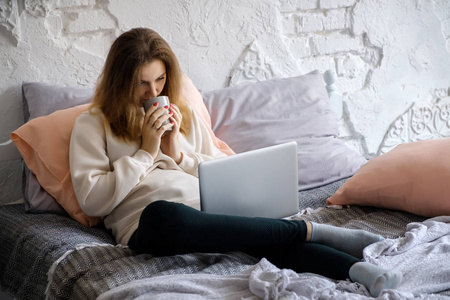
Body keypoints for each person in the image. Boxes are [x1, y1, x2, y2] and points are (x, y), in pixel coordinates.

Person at [69, 27, 402, 297]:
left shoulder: (181, 114)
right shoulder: (92, 124)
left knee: (259, 238)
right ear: (120, 81)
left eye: (159, 80)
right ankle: (310, 230)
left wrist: (177, 154)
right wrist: (145, 152)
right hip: (151, 224)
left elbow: (217, 170)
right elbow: (93, 200)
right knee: (162, 213)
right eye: (142, 83)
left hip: (209, 213)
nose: (153, 91)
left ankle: (359, 272)